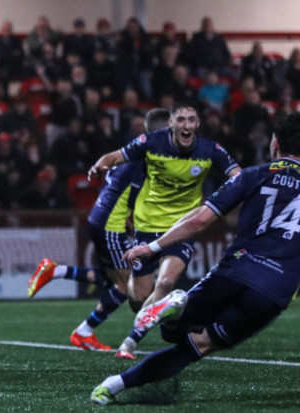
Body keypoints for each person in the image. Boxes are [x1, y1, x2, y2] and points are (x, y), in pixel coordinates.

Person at [90, 111, 300, 405]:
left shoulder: (253, 175)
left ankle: (175, 304)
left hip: (235, 270)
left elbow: (199, 220)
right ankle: (112, 387)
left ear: (275, 144)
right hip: (275, 291)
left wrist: (151, 248)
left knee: (170, 331)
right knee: (197, 346)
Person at [87, 101, 240, 359]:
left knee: (167, 281)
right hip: (147, 226)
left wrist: (224, 197)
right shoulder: (151, 142)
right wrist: (100, 164)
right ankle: (170, 311)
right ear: (171, 123)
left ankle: (129, 343)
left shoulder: (209, 149)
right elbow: (116, 156)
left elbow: (238, 175)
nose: (187, 126)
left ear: (197, 124)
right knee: (138, 300)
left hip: (182, 227)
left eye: (192, 120)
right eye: (181, 120)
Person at [27, 109, 170, 351]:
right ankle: (84, 331)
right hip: (109, 225)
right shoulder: (145, 158)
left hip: (104, 218)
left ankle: (56, 270)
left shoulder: (131, 152)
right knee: (126, 286)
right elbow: (135, 196)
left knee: (117, 278)